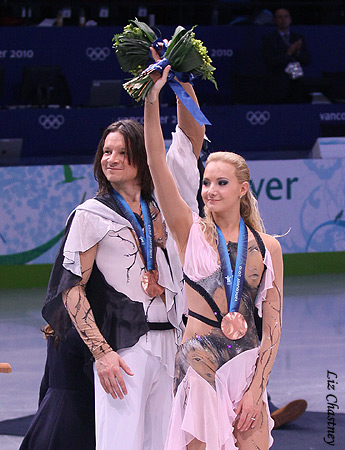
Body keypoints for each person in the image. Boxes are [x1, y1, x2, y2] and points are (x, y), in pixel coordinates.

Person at [42, 77, 204, 449]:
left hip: (174, 343)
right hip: (126, 347)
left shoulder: (167, 196)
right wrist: (103, 354)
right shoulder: (91, 214)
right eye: (105, 152)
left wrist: (181, 82)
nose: (110, 159)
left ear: (143, 156)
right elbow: (71, 289)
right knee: (120, 444)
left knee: (165, 443)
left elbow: (191, 135)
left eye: (121, 152)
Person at [144, 66, 283, 449]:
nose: (210, 189)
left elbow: (272, 327)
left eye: (221, 182)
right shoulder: (189, 231)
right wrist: (152, 98)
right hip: (198, 360)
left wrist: (258, 390)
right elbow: (157, 161)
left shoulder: (268, 247)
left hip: (247, 363)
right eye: (206, 181)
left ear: (242, 189)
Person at [19, 325, 95, 450]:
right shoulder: (86, 336)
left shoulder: (56, 330)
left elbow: (46, 380)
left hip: (48, 414)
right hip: (77, 419)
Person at [262, 7, 312, 104]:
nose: (283, 20)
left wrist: (297, 53)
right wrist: (289, 53)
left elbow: (308, 59)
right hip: (278, 82)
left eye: (286, 16)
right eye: (280, 17)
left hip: (297, 80)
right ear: (275, 21)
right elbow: (270, 62)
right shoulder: (269, 39)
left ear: (290, 19)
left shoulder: (297, 37)